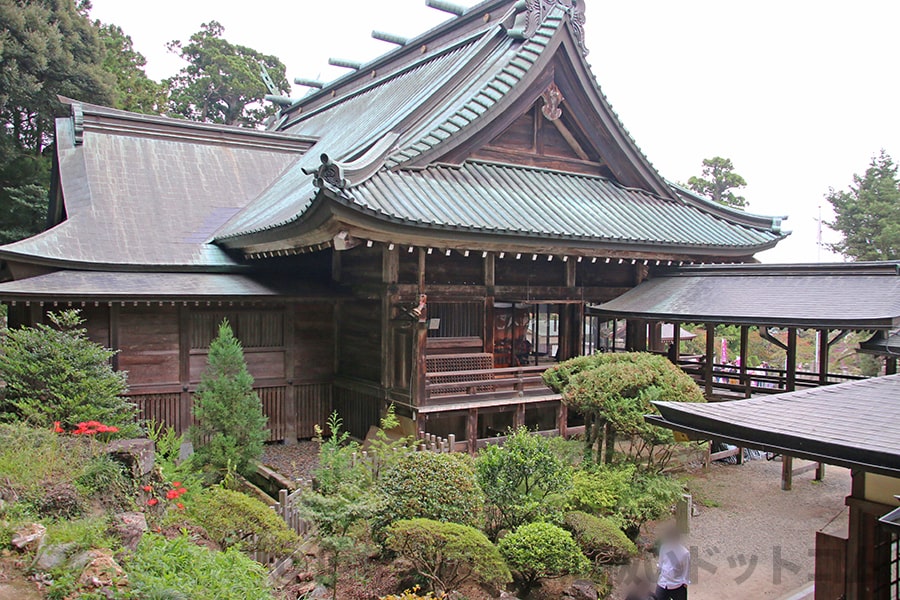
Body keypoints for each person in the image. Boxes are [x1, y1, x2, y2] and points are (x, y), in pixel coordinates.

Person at [656, 527, 690, 600]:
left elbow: (686, 568)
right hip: (663, 582)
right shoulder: (664, 547)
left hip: (677, 584)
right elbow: (661, 562)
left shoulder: (684, 553)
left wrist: (685, 583)